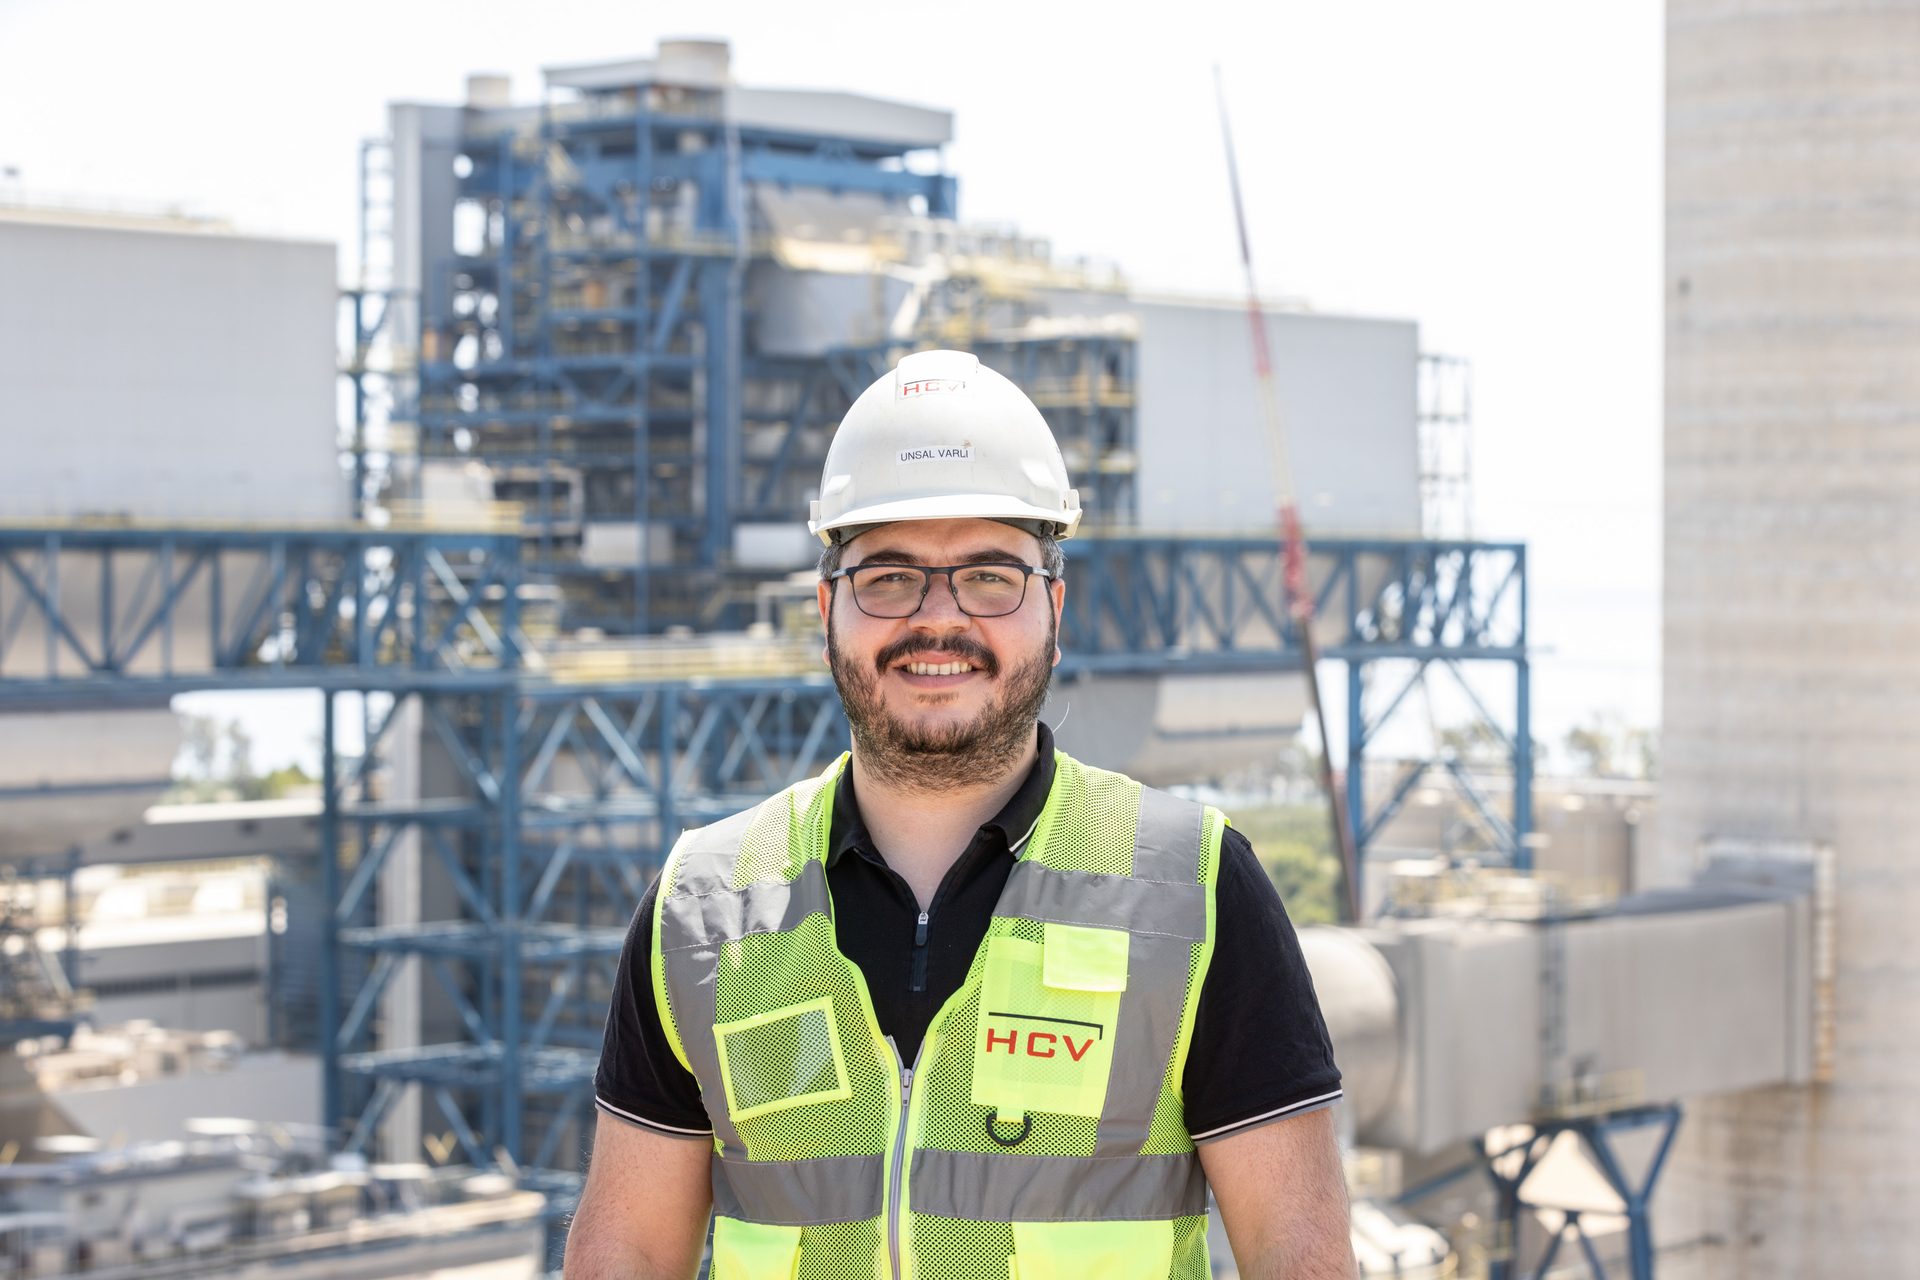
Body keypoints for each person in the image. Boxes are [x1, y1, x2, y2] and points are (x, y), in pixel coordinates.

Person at [567, 350, 1355, 1279]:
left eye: (990, 577)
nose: (939, 620)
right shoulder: (700, 911)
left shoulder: (1195, 890)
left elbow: (1300, 1258)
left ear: (1054, 606)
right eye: (889, 578)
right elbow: (628, 1254)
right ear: (827, 608)